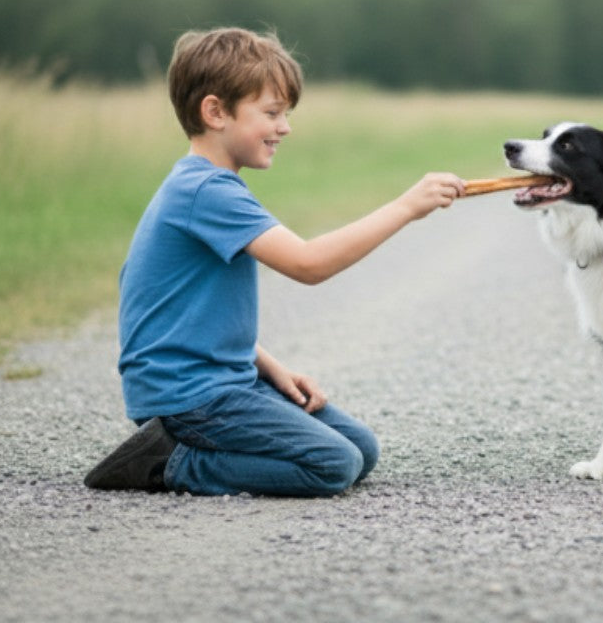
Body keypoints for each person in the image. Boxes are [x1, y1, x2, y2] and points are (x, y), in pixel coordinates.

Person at [84, 27, 465, 496]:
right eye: (271, 113)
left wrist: (270, 367)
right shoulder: (207, 191)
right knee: (333, 464)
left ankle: (201, 449)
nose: (284, 127)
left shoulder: (205, 185)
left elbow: (182, 311)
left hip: (226, 381)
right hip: (187, 397)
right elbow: (309, 264)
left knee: (360, 448)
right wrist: (407, 206)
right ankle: (167, 462)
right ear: (215, 111)